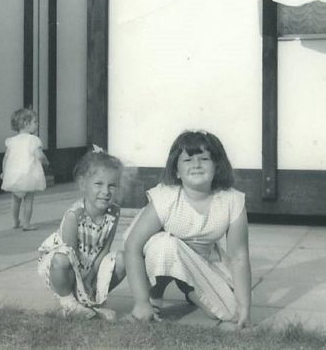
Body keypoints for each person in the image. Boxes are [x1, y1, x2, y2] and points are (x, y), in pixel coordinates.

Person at [124, 130, 252, 328]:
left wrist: (244, 305)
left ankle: (188, 285)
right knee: (165, 245)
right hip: (158, 254)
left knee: (229, 312)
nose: (196, 165)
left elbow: (239, 256)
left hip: (201, 261)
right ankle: (153, 297)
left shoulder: (231, 201)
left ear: (217, 166)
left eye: (204, 158)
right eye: (188, 160)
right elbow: (133, 246)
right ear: (176, 170)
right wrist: (140, 303)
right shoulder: (166, 197)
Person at [37, 148, 126, 320]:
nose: (106, 191)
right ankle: (69, 303)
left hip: (89, 266)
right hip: (63, 267)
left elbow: (104, 251)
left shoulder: (114, 212)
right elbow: (71, 256)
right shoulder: (74, 215)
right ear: (83, 185)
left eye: (112, 185)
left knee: (122, 259)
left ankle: (92, 301)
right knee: (62, 258)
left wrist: (92, 279)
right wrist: (82, 283)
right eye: (98, 184)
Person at [1, 108, 49, 231]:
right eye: (35, 122)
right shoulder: (33, 140)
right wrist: (46, 162)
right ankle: (26, 223)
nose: (37, 124)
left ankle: (15, 221)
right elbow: (39, 155)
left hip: (14, 175)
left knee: (15, 200)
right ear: (27, 124)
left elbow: (5, 159)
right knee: (28, 200)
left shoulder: (12, 141)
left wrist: (4, 172)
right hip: (29, 175)